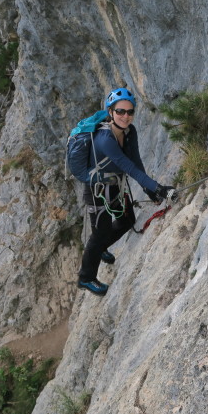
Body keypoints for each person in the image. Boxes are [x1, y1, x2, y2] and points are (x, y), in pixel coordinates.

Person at [77, 87, 175, 296]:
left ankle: (101, 248)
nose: (125, 116)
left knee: (126, 221)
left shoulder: (130, 132)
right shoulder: (104, 140)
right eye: (120, 111)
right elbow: (128, 166)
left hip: (115, 186)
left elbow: (136, 162)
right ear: (110, 112)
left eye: (130, 112)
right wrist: (158, 188)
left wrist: (150, 192)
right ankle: (86, 278)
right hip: (97, 190)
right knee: (99, 234)